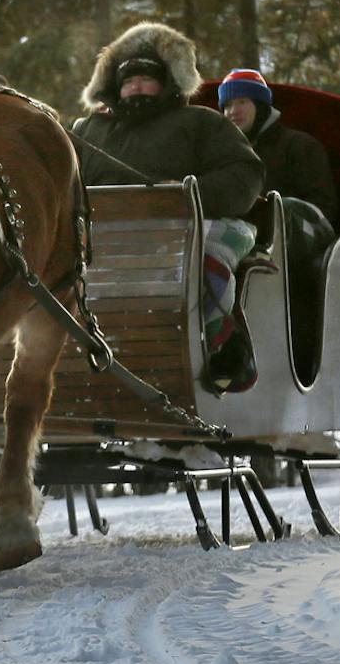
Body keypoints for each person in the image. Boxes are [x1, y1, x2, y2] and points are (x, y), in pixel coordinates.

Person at [72, 24, 264, 395]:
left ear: (168, 82)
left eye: (146, 79)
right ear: (114, 87)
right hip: (102, 238)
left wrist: (188, 197)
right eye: (129, 81)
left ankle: (223, 348)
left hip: (189, 228)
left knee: (205, 264)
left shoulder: (201, 122)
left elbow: (245, 173)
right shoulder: (87, 131)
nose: (137, 87)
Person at [216, 68, 337, 361]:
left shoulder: (299, 147)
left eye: (242, 102)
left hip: (296, 249)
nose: (234, 111)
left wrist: (274, 216)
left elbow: (323, 211)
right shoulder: (219, 157)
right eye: (228, 106)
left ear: (261, 105)